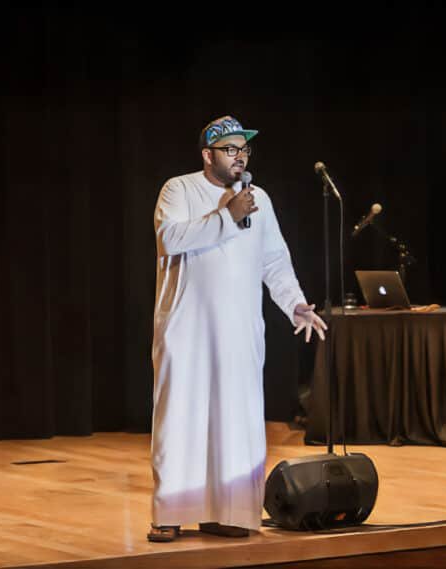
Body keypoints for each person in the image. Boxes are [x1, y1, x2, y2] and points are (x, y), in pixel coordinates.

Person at [148, 116, 327, 542]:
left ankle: (227, 512)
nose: (239, 155)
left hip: (240, 333)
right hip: (186, 330)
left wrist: (294, 303)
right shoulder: (179, 189)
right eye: (230, 149)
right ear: (208, 155)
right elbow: (170, 239)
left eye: (243, 149)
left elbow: (274, 262)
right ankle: (170, 513)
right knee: (181, 419)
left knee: (236, 421)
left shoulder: (257, 198)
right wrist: (227, 215)